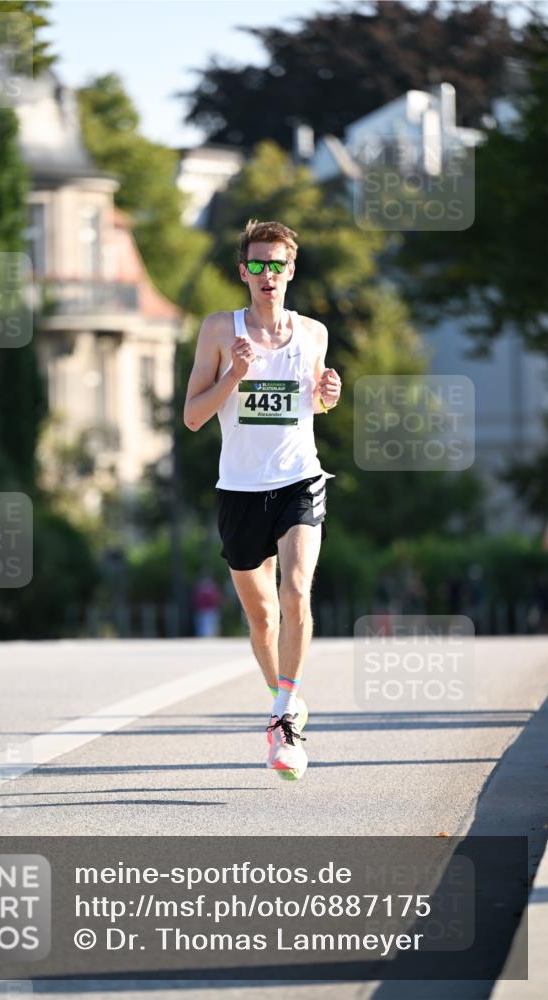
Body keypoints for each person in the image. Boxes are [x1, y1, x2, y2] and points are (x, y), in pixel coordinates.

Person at [183, 219, 341, 780]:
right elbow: (194, 416)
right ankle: (285, 699)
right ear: (243, 271)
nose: (267, 273)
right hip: (240, 490)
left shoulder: (314, 334)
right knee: (261, 614)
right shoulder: (219, 331)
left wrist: (328, 397)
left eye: (277, 264)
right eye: (257, 264)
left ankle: (283, 718)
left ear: (291, 270)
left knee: (296, 589)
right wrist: (236, 375)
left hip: (300, 479)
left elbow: (312, 406)